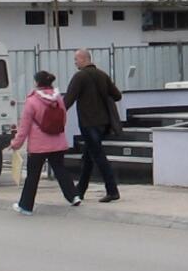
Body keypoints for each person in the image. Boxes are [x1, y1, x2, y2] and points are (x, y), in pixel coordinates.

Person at [10, 70, 81, 215]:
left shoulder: (32, 101)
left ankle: (26, 206)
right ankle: (74, 196)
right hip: (58, 142)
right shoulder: (58, 99)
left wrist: (16, 143)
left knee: (33, 176)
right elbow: (63, 119)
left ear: (37, 82)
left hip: (38, 146)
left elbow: (24, 127)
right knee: (60, 169)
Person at [64, 49, 122, 203]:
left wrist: (56, 114)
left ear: (84, 59)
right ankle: (80, 190)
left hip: (89, 123)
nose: (75, 62)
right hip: (104, 123)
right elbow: (117, 95)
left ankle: (112, 190)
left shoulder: (79, 77)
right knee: (88, 157)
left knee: (98, 156)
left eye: (76, 59)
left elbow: (68, 99)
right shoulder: (102, 75)